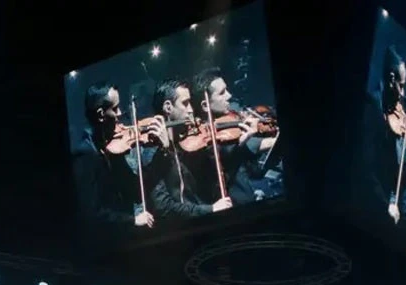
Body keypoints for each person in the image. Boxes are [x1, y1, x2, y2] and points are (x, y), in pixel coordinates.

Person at [71, 82, 168, 230]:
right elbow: (92, 212)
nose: (119, 114)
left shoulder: (112, 148)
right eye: (115, 109)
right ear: (101, 115)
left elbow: (135, 190)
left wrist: (162, 152)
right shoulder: (86, 155)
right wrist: (132, 220)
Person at [191, 67, 279, 205]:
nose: (229, 95)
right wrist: (274, 140)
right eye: (222, 93)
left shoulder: (232, 120)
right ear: (205, 105)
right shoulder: (205, 141)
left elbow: (252, 171)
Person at [148, 79, 233, 220]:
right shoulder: (151, 152)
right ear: (168, 107)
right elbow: (163, 206)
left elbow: (213, 186)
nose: (191, 110)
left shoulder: (188, 145)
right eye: (185, 103)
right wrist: (210, 209)